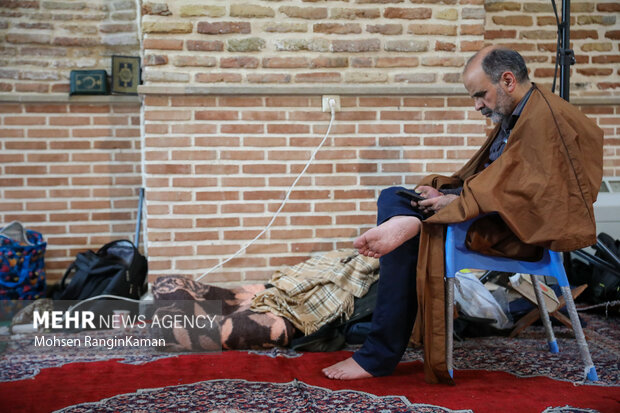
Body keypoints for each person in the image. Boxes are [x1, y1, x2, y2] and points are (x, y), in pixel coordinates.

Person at [322, 45, 604, 383]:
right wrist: (450, 193)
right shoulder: (520, 112)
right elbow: (503, 179)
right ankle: (411, 221)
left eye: (480, 95)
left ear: (508, 80)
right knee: (394, 197)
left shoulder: (548, 119)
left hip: (519, 230)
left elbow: (540, 197)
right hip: (491, 210)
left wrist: (459, 201)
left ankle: (378, 354)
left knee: (413, 227)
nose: (477, 105)